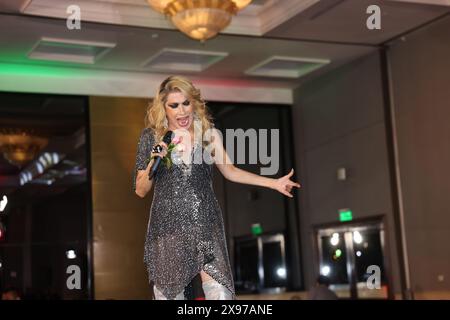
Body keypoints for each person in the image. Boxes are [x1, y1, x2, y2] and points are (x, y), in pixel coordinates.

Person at [133, 75, 301, 300]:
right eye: (174, 105)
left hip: (205, 221)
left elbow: (230, 171)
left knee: (219, 291)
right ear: (164, 108)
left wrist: (273, 182)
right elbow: (140, 190)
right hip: (167, 226)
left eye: (186, 103)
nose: (182, 111)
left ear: (193, 102)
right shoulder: (151, 138)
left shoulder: (208, 135)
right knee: (169, 295)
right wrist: (155, 159)